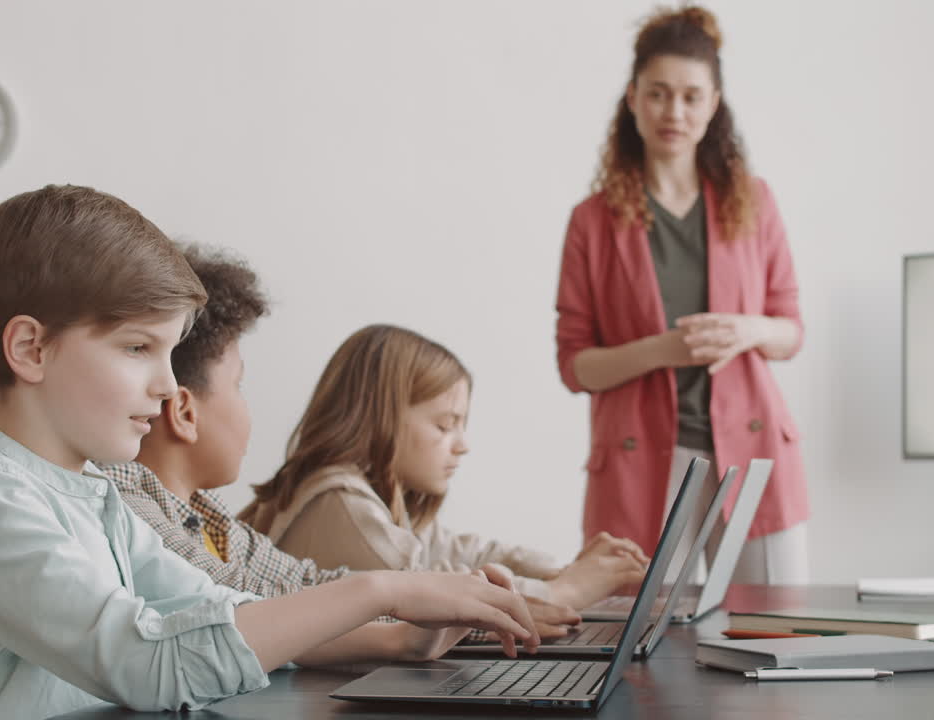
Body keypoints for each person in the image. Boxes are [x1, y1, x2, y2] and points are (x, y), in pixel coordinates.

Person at [0, 185, 538, 720]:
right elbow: (149, 665)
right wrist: (383, 588)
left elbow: (225, 613)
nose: (166, 386)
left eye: (170, 354)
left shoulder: (92, 494)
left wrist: (400, 634)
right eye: (138, 349)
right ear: (30, 349)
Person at [99, 244, 579, 637]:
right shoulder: (125, 504)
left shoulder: (208, 515)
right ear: (184, 410)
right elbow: (237, 605)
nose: (463, 445)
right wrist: (566, 589)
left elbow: (298, 582)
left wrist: (420, 613)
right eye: (241, 385)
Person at [554, 5, 808, 584]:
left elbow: (791, 328)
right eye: (660, 93)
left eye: (692, 96)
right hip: (643, 460)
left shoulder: (754, 200)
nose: (675, 111)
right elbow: (575, 365)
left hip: (753, 448)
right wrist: (663, 350)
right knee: (649, 651)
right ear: (633, 98)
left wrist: (751, 330)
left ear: (714, 103)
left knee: (776, 632)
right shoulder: (592, 222)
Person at [242, 324, 649, 610]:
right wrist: (565, 591)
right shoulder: (340, 504)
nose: (463, 445)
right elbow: (432, 589)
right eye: (444, 425)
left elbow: (459, 551)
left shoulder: (382, 498)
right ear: (379, 418)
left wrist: (561, 570)